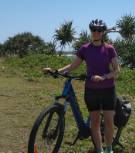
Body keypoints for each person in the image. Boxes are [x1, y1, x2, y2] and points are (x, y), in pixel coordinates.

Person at [43, 19, 120, 153]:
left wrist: (103, 77)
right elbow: (73, 66)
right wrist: (57, 71)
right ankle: (99, 150)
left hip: (108, 89)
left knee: (109, 121)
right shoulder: (85, 48)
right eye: (94, 30)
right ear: (91, 31)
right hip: (91, 90)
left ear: (103, 33)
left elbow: (116, 71)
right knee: (94, 122)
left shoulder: (109, 49)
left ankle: (109, 148)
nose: (96, 32)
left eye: (99, 30)